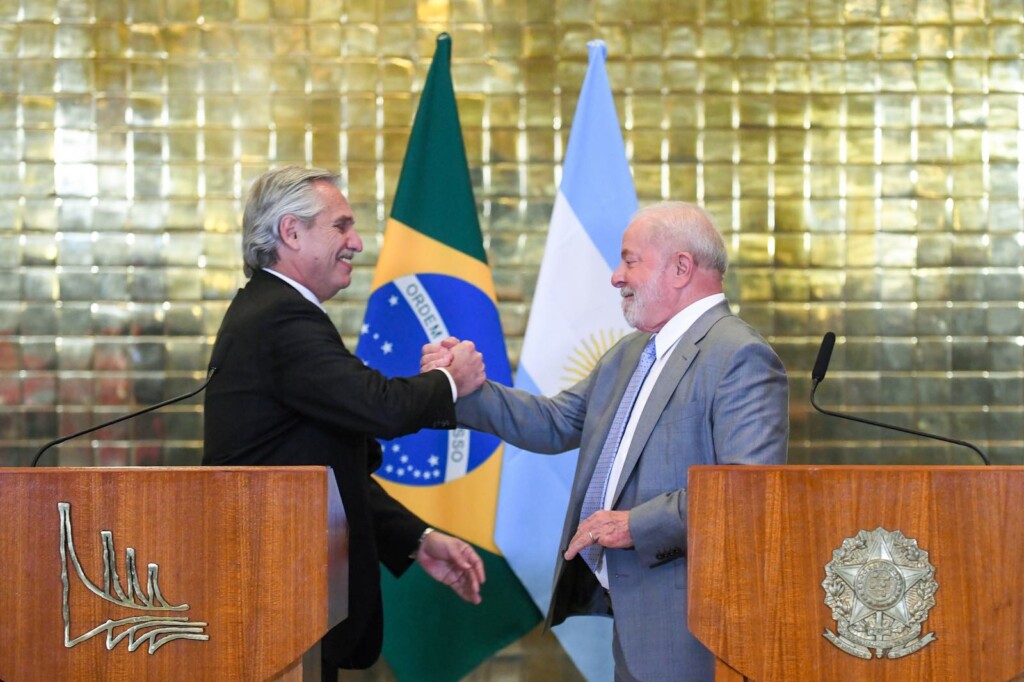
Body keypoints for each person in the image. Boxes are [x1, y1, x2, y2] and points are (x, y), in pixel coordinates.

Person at [423, 201, 789, 681]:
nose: (616, 276)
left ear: (681, 268)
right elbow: (554, 422)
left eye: (630, 259)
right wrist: (468, 390)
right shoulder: (631, 352)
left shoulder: (739, 355)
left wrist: (636, 524)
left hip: (696, 623)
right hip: (633, 619)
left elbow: (747, 492)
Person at [203, 166, 488, 679]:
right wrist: (451, 379)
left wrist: (417, 536)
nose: (356, 243)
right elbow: (379, 405)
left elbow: (324, 472)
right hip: (279, 608)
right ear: (290, 232)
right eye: (341, 226)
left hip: (294, 614)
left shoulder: (275, 310)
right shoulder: (280, 317)